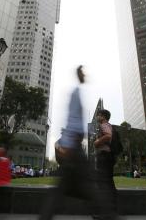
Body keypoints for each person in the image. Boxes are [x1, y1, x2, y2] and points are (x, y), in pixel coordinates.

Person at [39, 66, 100, 220]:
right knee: (86, 183)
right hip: (74, 145)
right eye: (83, 72)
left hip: (74, 145)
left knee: (64, 186)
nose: (85, 75)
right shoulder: (76, 93)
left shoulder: (78, 92)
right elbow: (72, 120)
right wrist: (70, 144)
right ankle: (107, 213)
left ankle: (105, 212)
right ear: (79, 74)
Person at [94, 109, 118, 219]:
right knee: (108, 182)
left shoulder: (104, 125)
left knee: (103, 182)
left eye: (98, 115)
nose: (97, 117)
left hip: (104, 157)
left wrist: (97, 142)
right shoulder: (107, 125)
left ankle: (106, 213)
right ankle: (111, 211)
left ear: (103, 116)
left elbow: (108, 136)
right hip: (107, 157)